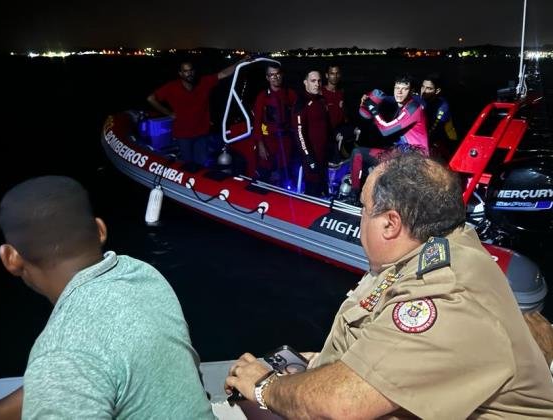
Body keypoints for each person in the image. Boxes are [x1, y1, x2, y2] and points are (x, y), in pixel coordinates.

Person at [224, 149, 553, 418]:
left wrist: (264, 387)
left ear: (391, 224)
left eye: (364, 207)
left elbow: (342, 405)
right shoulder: (429, 250)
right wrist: (321, 364)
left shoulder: (445, 291)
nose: (361, 215)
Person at [0, 176, 215, 419]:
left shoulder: (61, 352)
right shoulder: (143, 275)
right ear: (100, 230)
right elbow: (74, 375)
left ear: (10, 258)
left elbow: (69, 368)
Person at [147, 58, 244, 166]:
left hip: (201, 133)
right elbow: (151, 98)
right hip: (183, 135)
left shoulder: (203, 82)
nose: (189, 73)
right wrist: (168, 112)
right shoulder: (172, 87)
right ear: (180, 73)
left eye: (191, 70)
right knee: (187, 165)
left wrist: (239, 63)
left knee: (201, 164)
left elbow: (223, 74)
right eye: (185, 71)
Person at [348, 75, 429, 201]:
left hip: (414, 160)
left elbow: (386, 130)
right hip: (400, 154)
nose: (399, 92)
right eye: (397, 88)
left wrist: (373, 110)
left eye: (404, 89)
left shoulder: (414, 107)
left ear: (412, 92)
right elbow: (386, 99)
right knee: (358, 153)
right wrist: (369, 97)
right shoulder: (403, 102)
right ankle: (353, 195)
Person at [251, 63, 297, 185]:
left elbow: (298, 117)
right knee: (265, 171)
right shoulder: (262, 96)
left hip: (286, 140)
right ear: (267, 77)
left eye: (277, 74)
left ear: (282, 75)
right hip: (268, 141)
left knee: (284, 172)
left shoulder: (290, 94)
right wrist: (260, 144)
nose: (275, 77)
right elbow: (257, 123)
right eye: (272, 75)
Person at [293, 69, 331, 197]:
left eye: (319, 81)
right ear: (305, 83)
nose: (317, 84)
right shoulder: (301, 103)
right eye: (313, 81)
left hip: (324, 155)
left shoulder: (321, 100)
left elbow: (326, 126)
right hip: (311, 156)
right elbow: (299, 134)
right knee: (313, 189)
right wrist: (309, 158)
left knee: (324, 187)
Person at [418, 73, 459, 159]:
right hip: (429, 138)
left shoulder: (443, 107)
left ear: (437, 91)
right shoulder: (420, 99)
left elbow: (433, 129)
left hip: (447, 141)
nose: (424, 91)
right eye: (423, 86)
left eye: (429, 88)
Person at [322, 64, 350, 162]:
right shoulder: (321, 92)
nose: (335, 76)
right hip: (327, 133)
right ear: (327, 75)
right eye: (332, 73)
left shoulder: (341, 92)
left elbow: (345, 117)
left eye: (337, 73)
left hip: (340, 131)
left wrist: (344, 109)